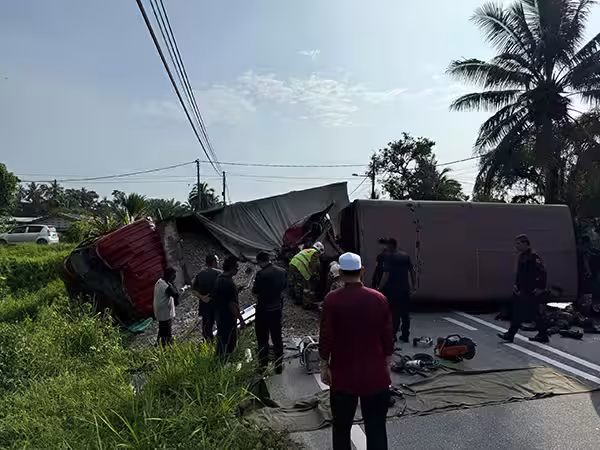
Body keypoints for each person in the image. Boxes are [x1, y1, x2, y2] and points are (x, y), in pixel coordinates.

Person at [320, 252, 393, 450]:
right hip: (375, 374)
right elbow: (387, 335)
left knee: (341, 428)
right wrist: (387, 362)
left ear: (341, 273)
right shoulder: (379, 298)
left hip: (343, 374)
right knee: (376, 428)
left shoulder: (332, 300)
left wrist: (324, 365)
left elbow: (326, 335)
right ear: (362, 271)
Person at [499, 234, 549, 343]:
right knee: (521, 311)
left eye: (518, 243)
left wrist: (540, 288)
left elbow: (542, 273)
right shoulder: (522, 256)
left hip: (531, 290)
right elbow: (520, 274)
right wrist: (516, 285)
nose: (516, 246)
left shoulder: (533, 256)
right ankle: (512, 334)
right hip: (522, 289)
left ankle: (541, 334)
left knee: (531, 312)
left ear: (525, 243)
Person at [252, 251, 287, 373]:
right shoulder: (282, 272)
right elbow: (284, 287)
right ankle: (278, 365)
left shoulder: (261, 274)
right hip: (276, 309)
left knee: (262, 338)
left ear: (260, 261)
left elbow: (255, 291)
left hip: (263, 310)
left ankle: (263, 365)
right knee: (277, 336)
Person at [377, 238, 415, 343]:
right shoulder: (405, 256)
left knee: (395, 313)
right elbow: (412, 271)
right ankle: (405, 335)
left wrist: (379, 288)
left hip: (393, 289)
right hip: (405, 288)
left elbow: (386, 274)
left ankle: (393, 335)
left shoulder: (389, 257)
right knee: (405, 313)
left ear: (391, 246)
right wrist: (413, 285)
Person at [214, 256, 246, 358]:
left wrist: (236, 290)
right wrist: (241, 319)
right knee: (230, 343)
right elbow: (232, 304)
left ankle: (219, 360)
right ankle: (225, 362)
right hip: (228, 317)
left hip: (219, 315)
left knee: (221, 341)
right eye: (236, 266)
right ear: (231, 267)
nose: (238, 269)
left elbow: (223, 296)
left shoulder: (219, 278)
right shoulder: (230, 283)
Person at [192, 254, 221, 342]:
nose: (218, 263)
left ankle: (208, 344)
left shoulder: (200, 275)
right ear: (214, 262)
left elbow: (193, 289)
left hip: (205, 305)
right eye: (217, 261)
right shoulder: (219, 274)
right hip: (218, 305)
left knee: (207, 329)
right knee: (221, 326)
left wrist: (201, 297)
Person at [288, 241, 325, 309]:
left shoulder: (307, 250)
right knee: (299, 284)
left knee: (294, 281)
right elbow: (314, 264)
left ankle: (293, 296)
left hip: (293, 264)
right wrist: (315, 273)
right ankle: (299, 300)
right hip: (299, 267)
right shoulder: (315, 253)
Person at [153, 267, 180, 346]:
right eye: (174, 275)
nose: (175, 277)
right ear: (170, 275)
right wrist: (173, 284)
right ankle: (167, 345)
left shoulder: (160, 281)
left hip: (160, 310)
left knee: (162, 328)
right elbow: (176, 294)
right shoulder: (165, 286)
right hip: (164, 312)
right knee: (166, 330)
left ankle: (158, 343)